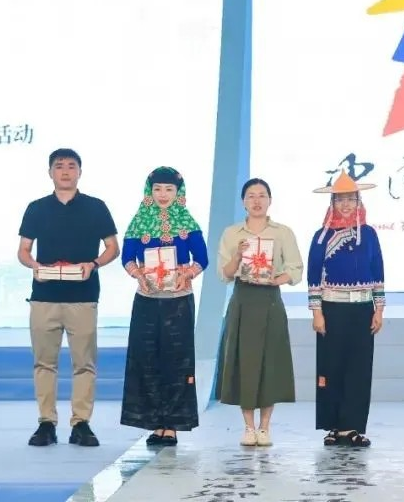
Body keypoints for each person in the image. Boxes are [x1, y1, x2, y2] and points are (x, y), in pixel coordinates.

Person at [17, 148, 119, 447]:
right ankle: (46, 423)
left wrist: (94, 264)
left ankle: (81, 423)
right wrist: (34, 266)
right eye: (59, 166)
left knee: (84, 364)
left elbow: (113, 247)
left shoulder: (96, 207)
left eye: (71, 166)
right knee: (44, 363)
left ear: (80, 172)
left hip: (83, 296)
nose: (65, 171)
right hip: (44, 296)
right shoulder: (36, 208)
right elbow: (23, 250)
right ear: (50, 172)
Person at [119, 166, 209, 447]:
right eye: (157, 189)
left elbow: (202, 258)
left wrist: (188, 273)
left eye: (169, 189)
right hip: (146, 300)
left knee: (177, 360)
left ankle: (172, 425)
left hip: (178, 301)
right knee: (146, 360)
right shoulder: (139, 221)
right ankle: (154, 423)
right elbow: (126, 257)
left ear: (178, 192)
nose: (163, 194)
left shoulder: (187, 222)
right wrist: (137, 274)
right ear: (149, 191)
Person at [215, 178, 304, 447]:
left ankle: (265, 428)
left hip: (270, 299)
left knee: (269, 362)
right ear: (243, 201)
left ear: (270, 200)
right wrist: (238, 256)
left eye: (262, 195)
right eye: (251, 196)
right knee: (245, 362)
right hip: (243, 299)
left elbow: (296, 268)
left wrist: (278, 278)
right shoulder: (232, 233)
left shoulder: (283, 232)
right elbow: (224, 274)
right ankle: (248, 427)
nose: (256, 200)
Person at [307, 170, 386, 448]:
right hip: (332, 309)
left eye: (351, 199)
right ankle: (333, 426)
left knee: (359, 368)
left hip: (362, 309)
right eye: (340, 199)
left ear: (358, 201)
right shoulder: (321, 237)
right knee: (331, 367)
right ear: (332, 203)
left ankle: (352, 427)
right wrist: (317, 312)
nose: (346, 205)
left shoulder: (370, 234)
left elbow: (377, 270)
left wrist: (379, 309)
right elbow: (313, 275)